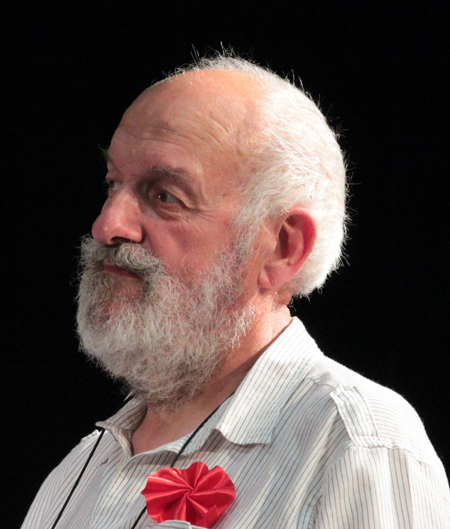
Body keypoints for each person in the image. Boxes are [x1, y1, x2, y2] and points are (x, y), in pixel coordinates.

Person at [22, 53, 450, 529]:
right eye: (113, 184)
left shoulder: (355, 444)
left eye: (165, 196)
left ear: (283, 249)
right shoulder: (79, 471)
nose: (107, 225)